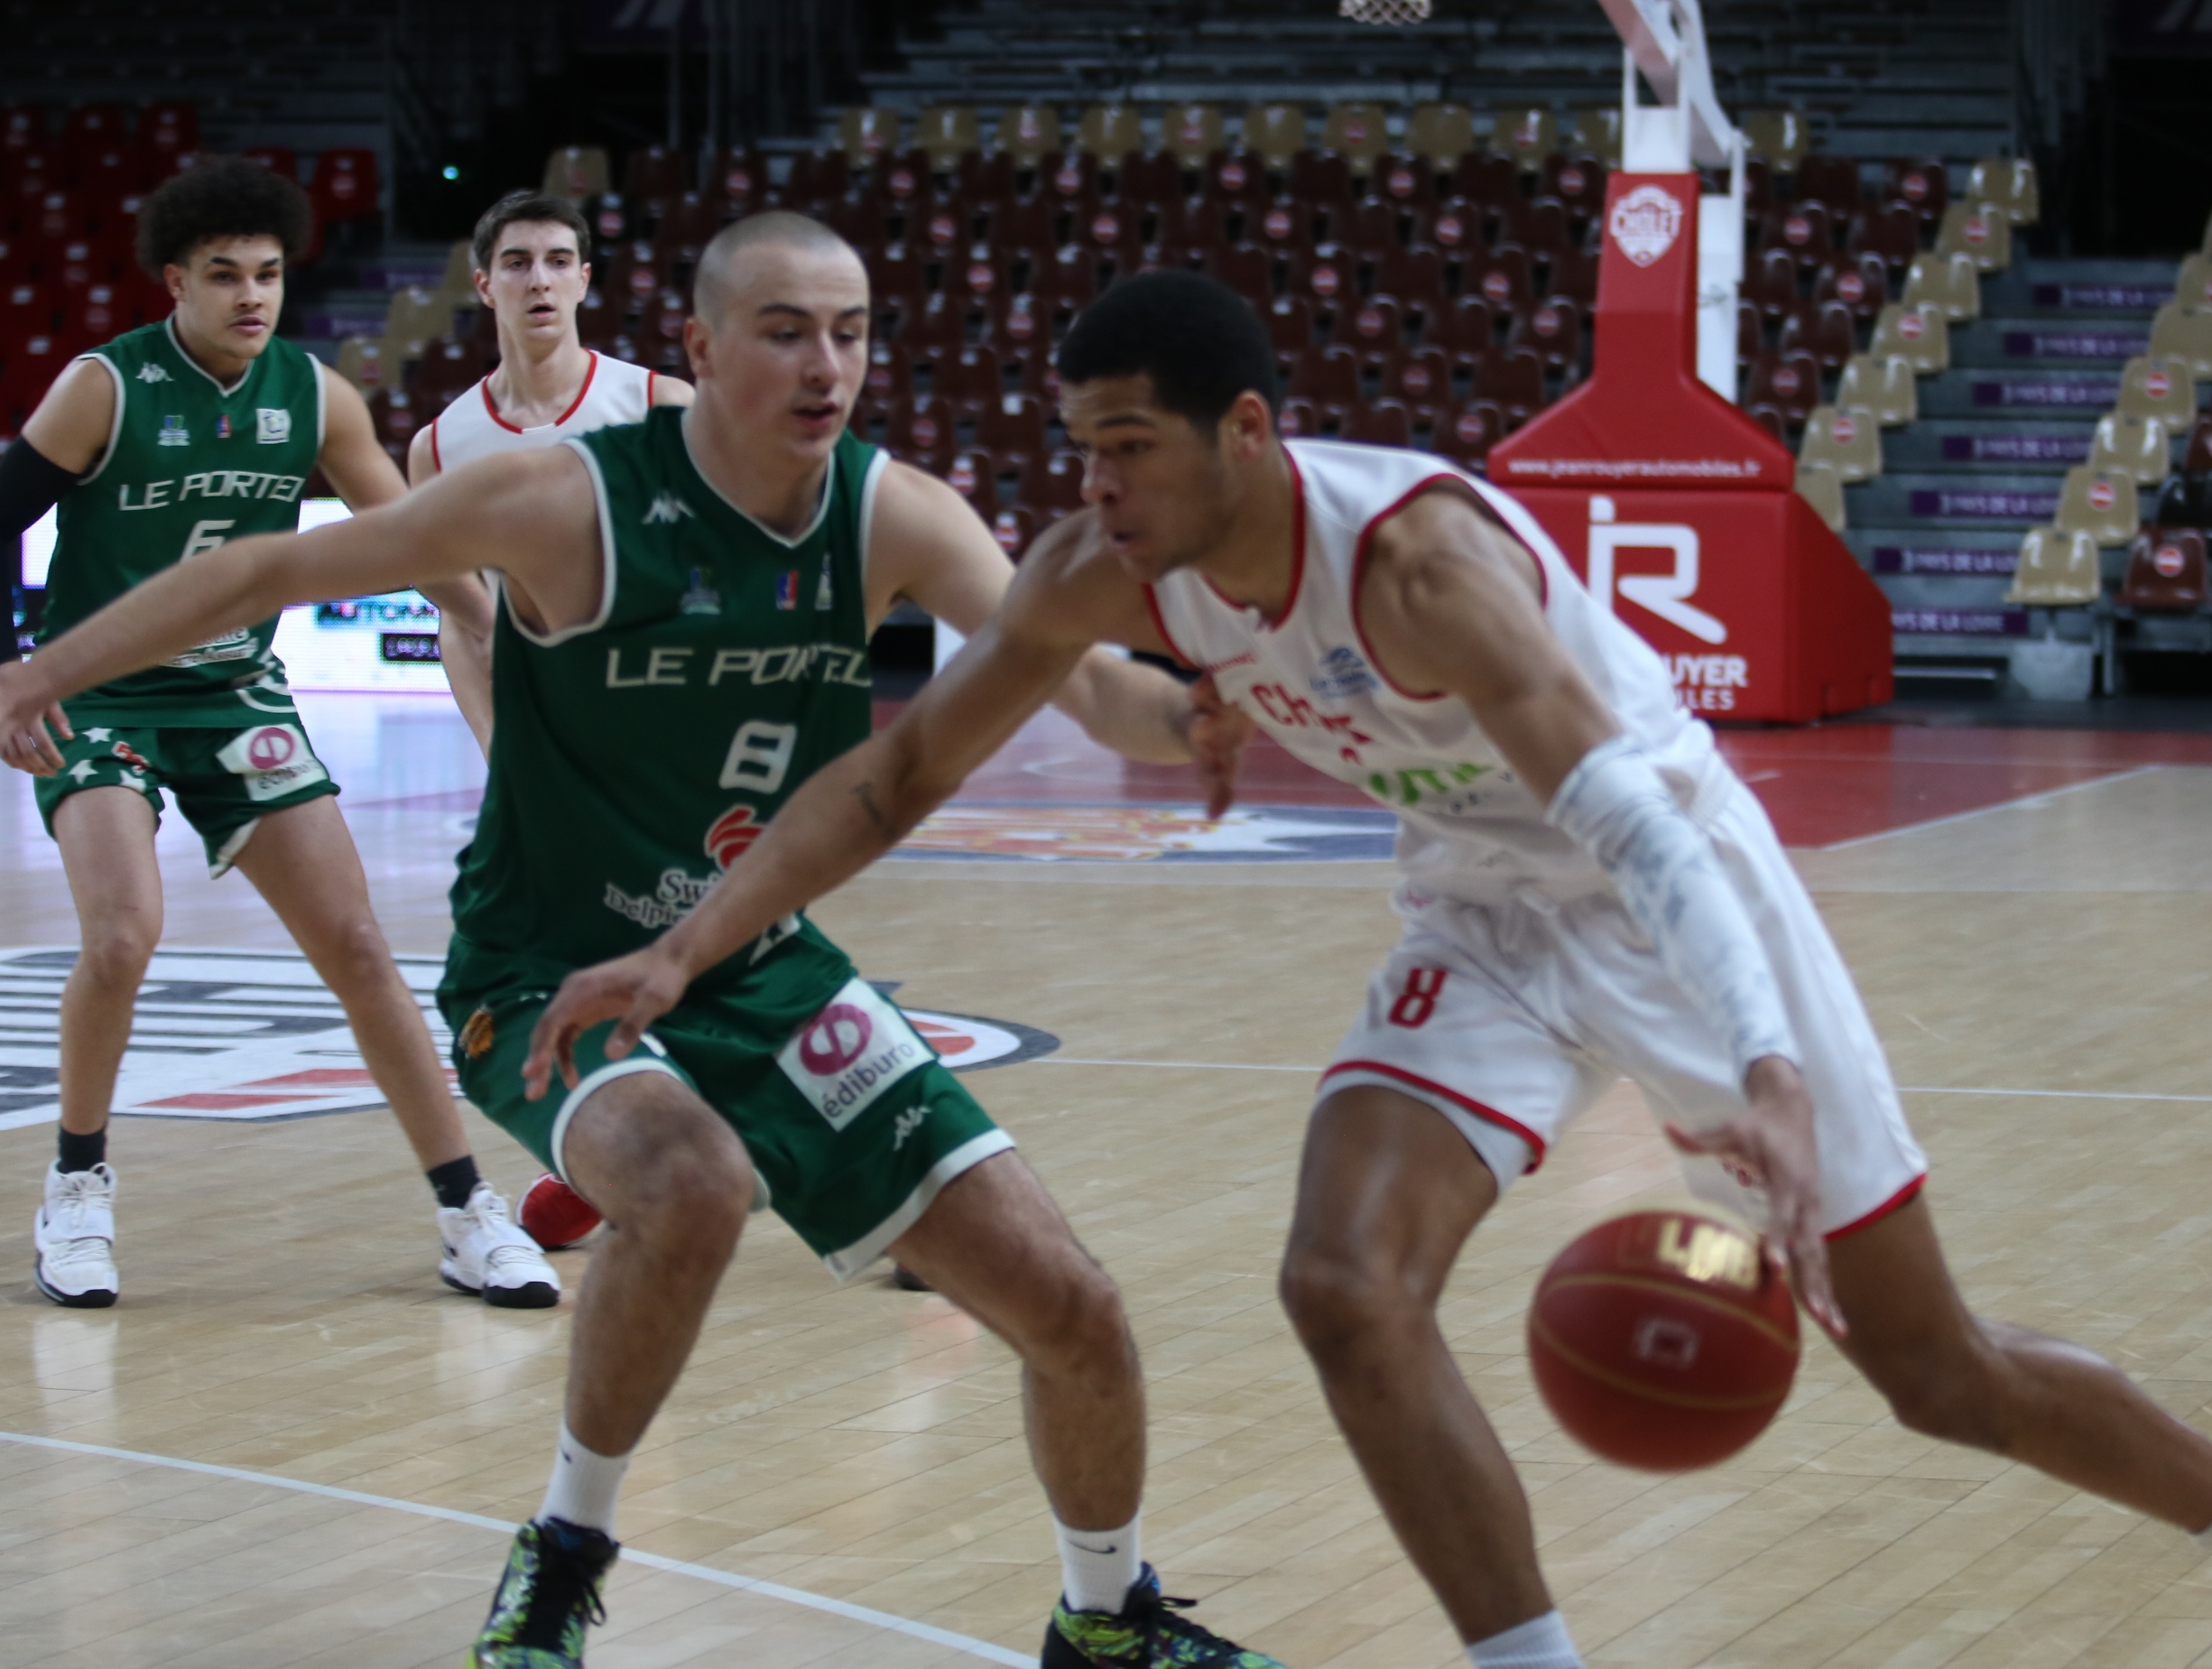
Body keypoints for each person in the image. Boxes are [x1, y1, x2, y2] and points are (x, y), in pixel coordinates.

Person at [504, 270, 2212, 1669]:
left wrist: (1761, 1060)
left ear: (1248, 431)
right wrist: (690, 941)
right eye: (1081, 449)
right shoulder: (1109, 563)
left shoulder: (1413, 560)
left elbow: (1654, 826)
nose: (1100, 489)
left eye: (1135, 447)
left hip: (1669, 889)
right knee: (1342, 1281)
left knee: (1932, 1369)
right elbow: (902, 767)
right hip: (1482, 910)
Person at [0, 216, 1287, 1669]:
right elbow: (252, 579)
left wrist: (1186, 716)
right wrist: (36, 667)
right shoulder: (564, 501)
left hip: (755, 960)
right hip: (543, 967)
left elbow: (1077, 678)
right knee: (688, 1182)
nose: (827, 364)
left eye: (852, 332)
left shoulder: (892, 515)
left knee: (1074, 1306)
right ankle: (562, 1556)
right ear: (697, 350)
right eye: (787, 329)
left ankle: (1106, 1619)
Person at [0, 157, 559, 1311]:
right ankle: (77, 1186)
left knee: (357, 943)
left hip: (237, 694)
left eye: (267, 275)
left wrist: (504, 640)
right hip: (104, 698)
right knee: (122, 934)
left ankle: (465, 1207)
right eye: (225, 277)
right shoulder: (102, 388)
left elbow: (414, 545)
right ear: (174, 282)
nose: (252, 297)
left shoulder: (316, 397)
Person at [410, 190, 690, 749]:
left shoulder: (661, 405)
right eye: (517, 263)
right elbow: (461, 623)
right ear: (485, 285)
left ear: (583, 281)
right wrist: (501, 758)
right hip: (536, 727)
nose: (540, 280)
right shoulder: (440, 446)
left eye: (558, 262)